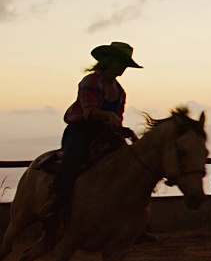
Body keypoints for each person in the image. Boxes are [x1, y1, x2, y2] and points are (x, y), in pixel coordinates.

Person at [41, 42, 157, 245]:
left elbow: (116, 117)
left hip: (105, 132)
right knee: (71, 161)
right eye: (122, 63)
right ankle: (54, 205)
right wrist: (108, 115)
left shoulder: (120, 90)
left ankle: (136, 222)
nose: (123, 69)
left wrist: (119, 128)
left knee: (132, 167)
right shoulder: (91, 81)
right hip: (81, 130)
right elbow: (89, 111)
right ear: (110, 62)